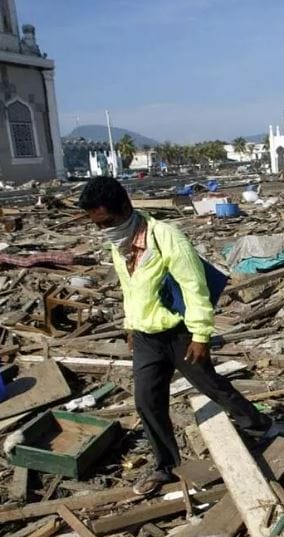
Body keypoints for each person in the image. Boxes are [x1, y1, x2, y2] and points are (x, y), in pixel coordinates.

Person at [79, 176, 273, 495]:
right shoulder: (120, 244)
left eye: (108, 222)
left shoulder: (166, 238)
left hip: (180, 333)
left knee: (210, 385)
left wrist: (200, 335)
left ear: (126, 208)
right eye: (98, 225)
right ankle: (164, 466)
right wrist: (130, 324)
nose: (104, 230)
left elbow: (194, 287)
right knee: (147, 401)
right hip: (145, 337)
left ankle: (259, 425)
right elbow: (129, 289)